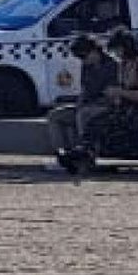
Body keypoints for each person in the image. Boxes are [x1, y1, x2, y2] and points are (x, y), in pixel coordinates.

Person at [50, 28, 122, 174]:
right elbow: (85, 89)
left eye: (84, 56)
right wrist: (80, 102)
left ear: (94, 51)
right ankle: (64, 155)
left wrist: (90, 105)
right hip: (88, 104)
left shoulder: (113, 65)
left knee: (84, 115)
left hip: (107, 107)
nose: (82, 60)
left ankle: (85, 157)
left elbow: (113, 94)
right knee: (56, 116)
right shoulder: (87, 66)